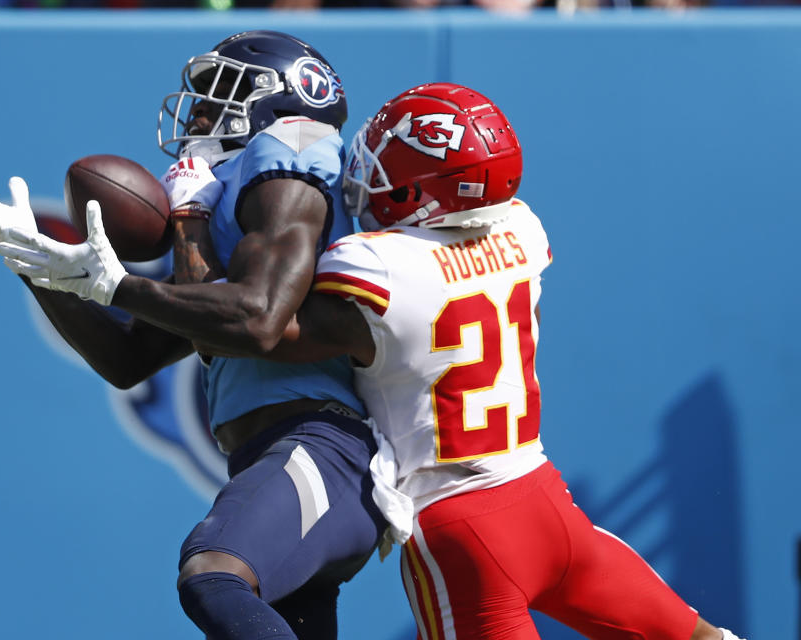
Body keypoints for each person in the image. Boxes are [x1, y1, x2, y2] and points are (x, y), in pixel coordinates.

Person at [253, 82, 748, 640]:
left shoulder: (378, 266)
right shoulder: (522, 229)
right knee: (705, 637)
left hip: (460, 526)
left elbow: (262, 325)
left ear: (422, 190)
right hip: (545, 500)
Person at [0, 30, 387, 640]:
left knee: (214, 573)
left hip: (322, 445)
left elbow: (256, 319)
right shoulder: (230, 198)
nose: (201, 111)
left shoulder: (293, 151)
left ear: (288, 102)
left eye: (220, 93)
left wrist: (123, 277)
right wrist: (37, 267)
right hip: (277, 453)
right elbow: (129, 356)